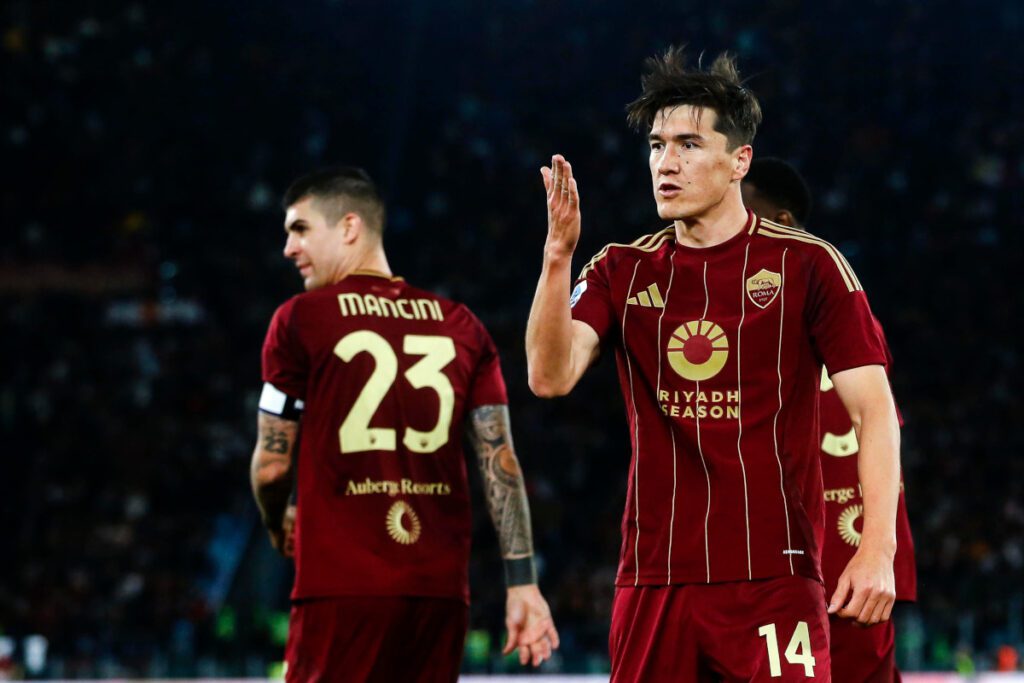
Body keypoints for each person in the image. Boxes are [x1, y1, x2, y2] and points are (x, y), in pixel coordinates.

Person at [525, 46, 901, 681]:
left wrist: (876, 548)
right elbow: (548, 376)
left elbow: (875, 413)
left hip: (774, 576)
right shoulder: (620, 268)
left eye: (689, 145)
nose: (666, 164)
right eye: (655, 146)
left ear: (738, 162)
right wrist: (557, 256)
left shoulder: (808, 265)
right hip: (654, 579)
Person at [250, 167, 559, 682]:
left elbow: (270, 466)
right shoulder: (461, 325)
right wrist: (522, 582)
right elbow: (499, 460)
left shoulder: (300, 319)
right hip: (437, 596)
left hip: (341, 592)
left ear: (349, 227)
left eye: (300, 229)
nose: (289, 247)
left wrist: (276, 517)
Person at [743, 158, 917, 683]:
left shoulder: (835, 308)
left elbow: (877, 423)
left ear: (785, 222)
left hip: (843, 566)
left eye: (744, 214)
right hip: (766, 569)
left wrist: (876, 550)